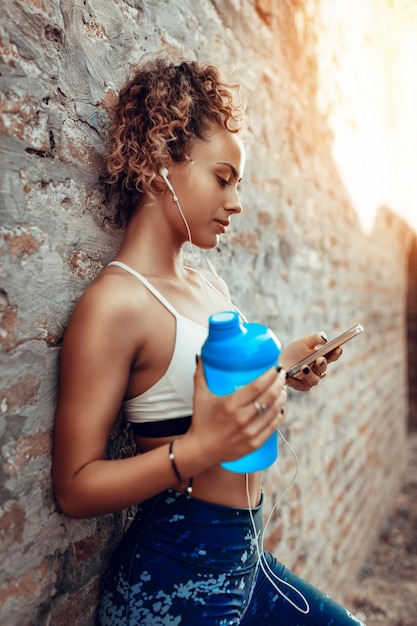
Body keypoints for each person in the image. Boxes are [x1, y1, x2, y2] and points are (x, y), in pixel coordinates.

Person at [52, 58, 366, 625]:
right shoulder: (116, 304)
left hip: (244, 563)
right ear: (159, 163)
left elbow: (208, 391)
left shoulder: (207, 282)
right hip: (173, 582)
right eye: (223, 178)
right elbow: (75, 489)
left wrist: (284, 366)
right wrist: (198, 450)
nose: (237, 202)